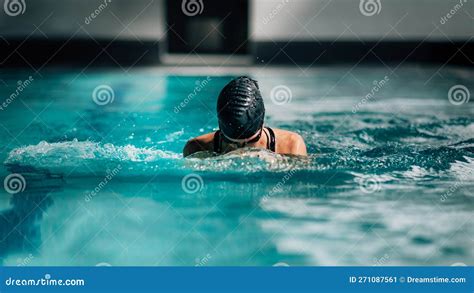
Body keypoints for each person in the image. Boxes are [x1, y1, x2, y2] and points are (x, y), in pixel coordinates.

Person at [183, 76, 307, 157]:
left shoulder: (291, 146)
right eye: (230, 141)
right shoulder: (195, 149)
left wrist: (279, 165)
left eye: (252, 140)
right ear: (220, 128)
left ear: (263, 123)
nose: (241, 149)